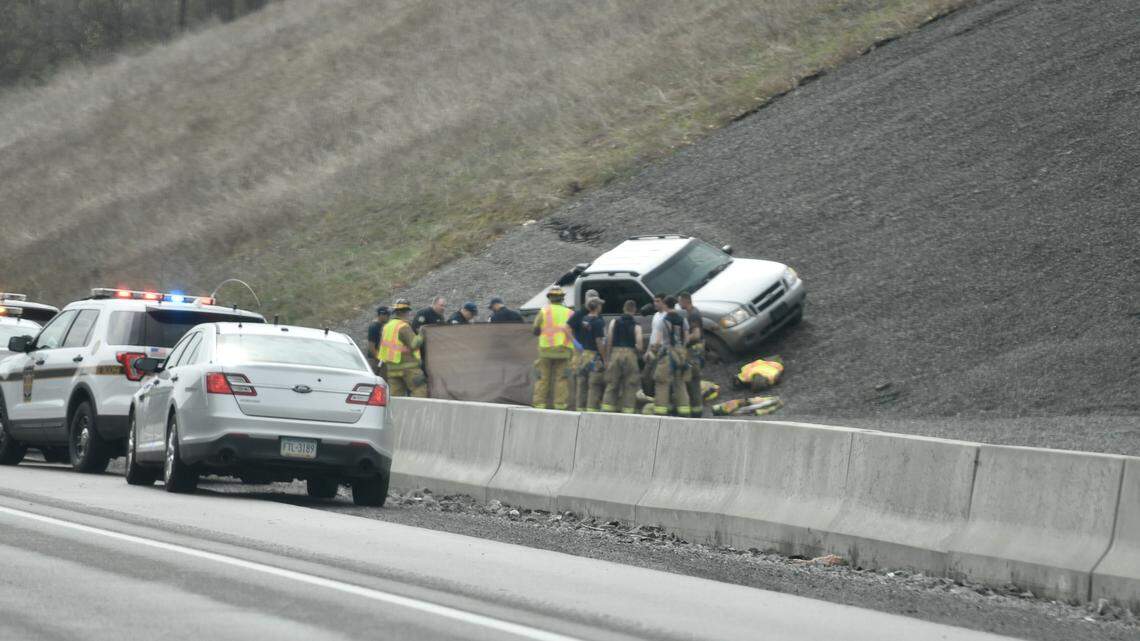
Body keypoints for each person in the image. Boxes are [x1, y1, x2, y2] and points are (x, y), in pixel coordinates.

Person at [531, 286, 574, 410]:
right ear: (562, 298)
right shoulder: (570, 313)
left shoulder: (543, 311)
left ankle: (539, 404)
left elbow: (535, 330)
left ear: (549, 298)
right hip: (564, 350)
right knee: (561, 378)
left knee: (543, 377)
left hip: (545, 350)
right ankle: (560, 405)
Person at [601, 300, 644, 413]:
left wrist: (608, 358)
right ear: (634, 310)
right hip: (630, 354)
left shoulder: (614, 322)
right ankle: (628, 411)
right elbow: (639, 346)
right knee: (630, 384)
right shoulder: (637, 326)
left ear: (624, 309)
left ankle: (607, 408)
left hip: (615, 354)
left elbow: (609, 341)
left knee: (612, 383)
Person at [378, 299, 427, 397]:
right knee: (419, 391)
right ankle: (416, 412)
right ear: (405, 312)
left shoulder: (387, 327)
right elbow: (414, 344)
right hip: (409, 368)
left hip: (392, 368)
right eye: (408, 312)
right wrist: (422, 334)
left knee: (396, 397)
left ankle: (396, 413)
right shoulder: (403, 326)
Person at [652, 309, 691, 416]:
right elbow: (687, 339)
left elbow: (658, 341)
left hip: (667, 356)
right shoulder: (683, 320)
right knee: (680, 383)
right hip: (681, 355)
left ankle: (660, 412)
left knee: (662, 383)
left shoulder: (663, 321)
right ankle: (684, 411)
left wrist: (654, 351)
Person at [573, 299, 607, 411]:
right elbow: (599, 341)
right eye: (600, 305)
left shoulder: (584, 319)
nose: (601, 307)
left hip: (583, 355)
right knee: (594, 384)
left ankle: (580, 408)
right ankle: (591, 409)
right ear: (597, 307)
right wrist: (604, 357)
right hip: (594, 356)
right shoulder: (598, 322)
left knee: (582, 383)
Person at [678, 291, 705, 415]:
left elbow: (696, 334)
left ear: (686, 301)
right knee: (692, 380)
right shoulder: (691, 312)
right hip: (695, 351)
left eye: (680, 301)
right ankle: (696, 409)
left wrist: (683, 340)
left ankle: (696, 411)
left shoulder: (693, 315)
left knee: (692, 380)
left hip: (693, 351)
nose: (678, 304)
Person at [366, 305, 391, 377]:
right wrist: (380, 359)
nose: (389, 317)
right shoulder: (374, 327)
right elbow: (371, 347)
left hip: (381, 359)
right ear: (381, 315)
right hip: (376, 360)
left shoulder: (382, 325)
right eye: (387, 315)